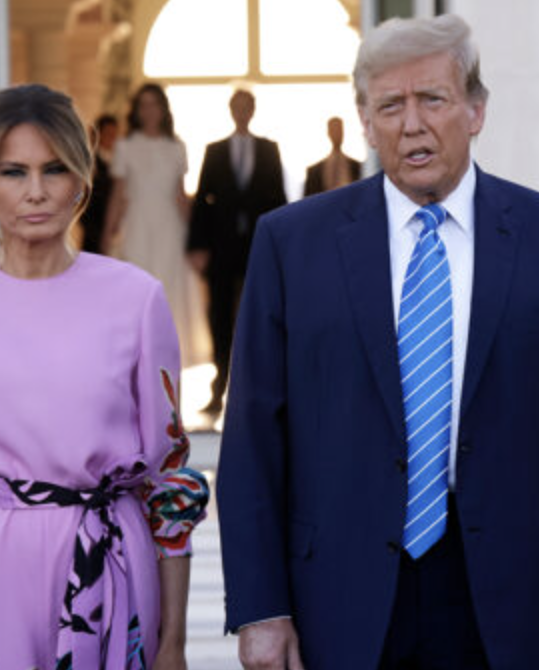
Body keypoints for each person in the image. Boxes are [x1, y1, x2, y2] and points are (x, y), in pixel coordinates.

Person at [218, 13, 539, 670]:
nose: (411, 124)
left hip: (508, 595)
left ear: (475, 111)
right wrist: (260, 608)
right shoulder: (290, 244)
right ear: (365, 123)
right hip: (338, 593)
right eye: (390, 105)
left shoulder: (534, 233)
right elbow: (252, 437)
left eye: (433, 100)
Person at [0, 83, 208, 669]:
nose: (36, 191)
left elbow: (169, 478)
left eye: (55, 169)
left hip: (109, 569)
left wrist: (173, 643)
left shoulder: (136, 300)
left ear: (83, 181)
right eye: (13, 171)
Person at [188, 89, 286, 415]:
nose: (242, 112)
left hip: (258, 246)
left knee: (259, 313)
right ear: (231, 110)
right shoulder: (214, 150)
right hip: (221, 247)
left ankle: (257, 389)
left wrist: (282, 247)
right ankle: (219, 388)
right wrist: (197, 245)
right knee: (219, 315)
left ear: (253, 110)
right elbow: (202, 199)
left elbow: (278, 198)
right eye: (237, 106)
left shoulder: (269, 149)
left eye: (247, 106)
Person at [106, 83, 209, 368]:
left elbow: (180, 196)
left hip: (170, 231)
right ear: (137, 111)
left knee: (169, 294)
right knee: (136, 295)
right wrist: (107, 234)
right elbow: (118, 195)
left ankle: (167, 367)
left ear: (163, 109)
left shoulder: (176, 147)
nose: (149, 110)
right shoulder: (125, 147)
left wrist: (197, 241)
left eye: (154, 104)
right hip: (137, 228)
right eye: (143, 105)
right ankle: (137, 365)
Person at [78, 113, 118, 254]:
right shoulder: (90, 162)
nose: (111, 138)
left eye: (114, 134)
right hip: (94, 231)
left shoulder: (118, 161)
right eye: (108, 134)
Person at [303, 116, 361, 196]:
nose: (337, 134)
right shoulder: (313, 172)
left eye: (339, 130)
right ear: (328, 133)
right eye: (334, 130)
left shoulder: (358, 167)